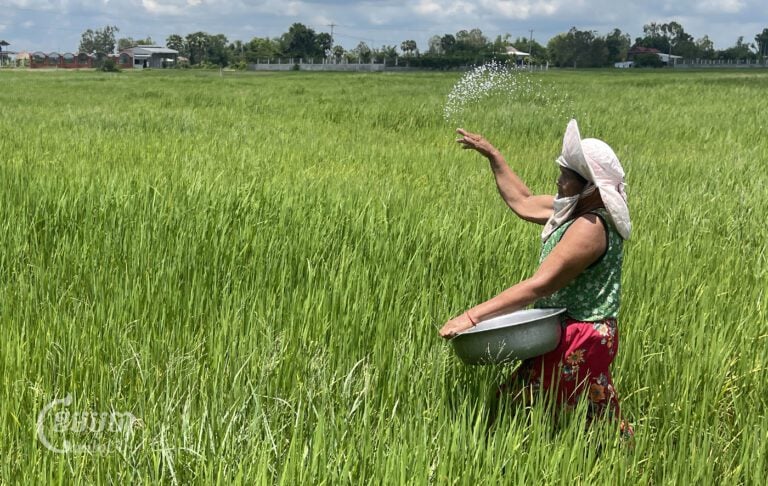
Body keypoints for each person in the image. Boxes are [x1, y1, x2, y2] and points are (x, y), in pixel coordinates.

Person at [439, 119, 632, 436]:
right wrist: (494, 156)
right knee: (533, 411)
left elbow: (540, 284)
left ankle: (614, 462)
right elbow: (523, 202)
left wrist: (471, 318)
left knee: (584, 423)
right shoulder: (574, 207)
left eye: (565, 176)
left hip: (582, 337)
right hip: (563, 332)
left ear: (589, 186)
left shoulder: (590, 227)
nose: (558, 182)